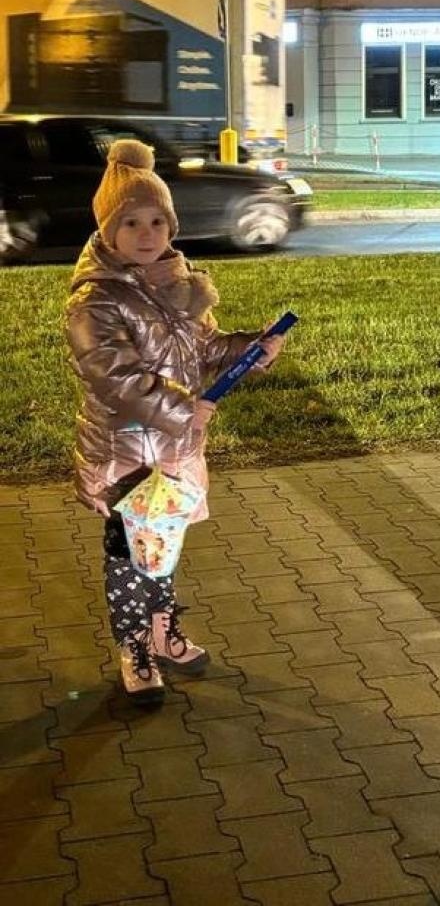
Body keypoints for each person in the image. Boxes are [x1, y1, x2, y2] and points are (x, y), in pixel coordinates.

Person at [65, 140, 287, 704]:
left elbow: (203, 350)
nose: (147, 233)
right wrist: (187, 409)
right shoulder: (96, 300)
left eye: (158, 220)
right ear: (108, 230)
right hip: (124, 456)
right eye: (132, 222)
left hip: (174, 453)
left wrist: (248, 349)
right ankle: (134, 646)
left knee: (163, 547)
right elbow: (114, 377)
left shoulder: (179, 288)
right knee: (127, 557)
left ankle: (164, 631)